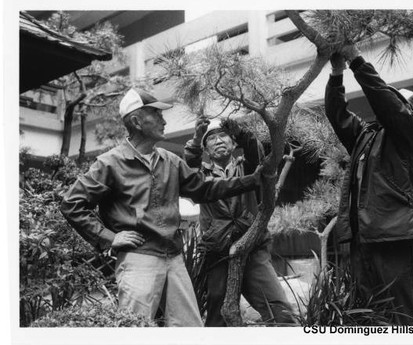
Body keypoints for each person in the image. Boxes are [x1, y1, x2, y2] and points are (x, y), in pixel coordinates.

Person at [60, 88, 264, 327]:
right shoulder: (110, 163)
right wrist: (109, 237)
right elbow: (72, 203)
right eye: (156, 114)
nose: (163, 120)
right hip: (138, 259)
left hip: (174, 257)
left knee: (190, 329)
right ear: (136, 121)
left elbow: (204, 189)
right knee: (134, 329)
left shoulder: (170, 160)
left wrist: (252, 179)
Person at [325, 45, 413, 325]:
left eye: (396, 100)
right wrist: (336, 73)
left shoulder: (409, 134)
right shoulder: (366, 136)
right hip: (362, 239)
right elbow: (337, 114)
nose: (387, 101)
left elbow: (385, 101)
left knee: (402, 316)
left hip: (393, 237)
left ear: (409, 111)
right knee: (369, 316)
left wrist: (357, 60)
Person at [184, 117, 296, 326]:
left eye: (223, 136)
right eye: (212, 139)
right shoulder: (200, 174)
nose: (218, 141)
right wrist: (196, 138)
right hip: (217, 251)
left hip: (252, 248)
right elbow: (190, 164)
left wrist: (241, 133)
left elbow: (257, 152)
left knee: (280, 310)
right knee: (219, 315)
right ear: (206, 149)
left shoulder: (248, 167)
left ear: (233, 143)